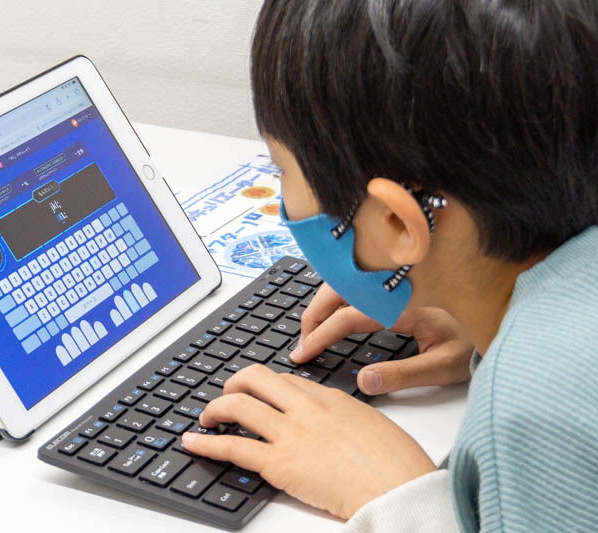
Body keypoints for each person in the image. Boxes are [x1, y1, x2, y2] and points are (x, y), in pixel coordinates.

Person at [180, 1, 598, 531]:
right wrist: (479, 317)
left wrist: (401, 497)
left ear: (399, 223)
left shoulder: (536, 416)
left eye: (281, 169)